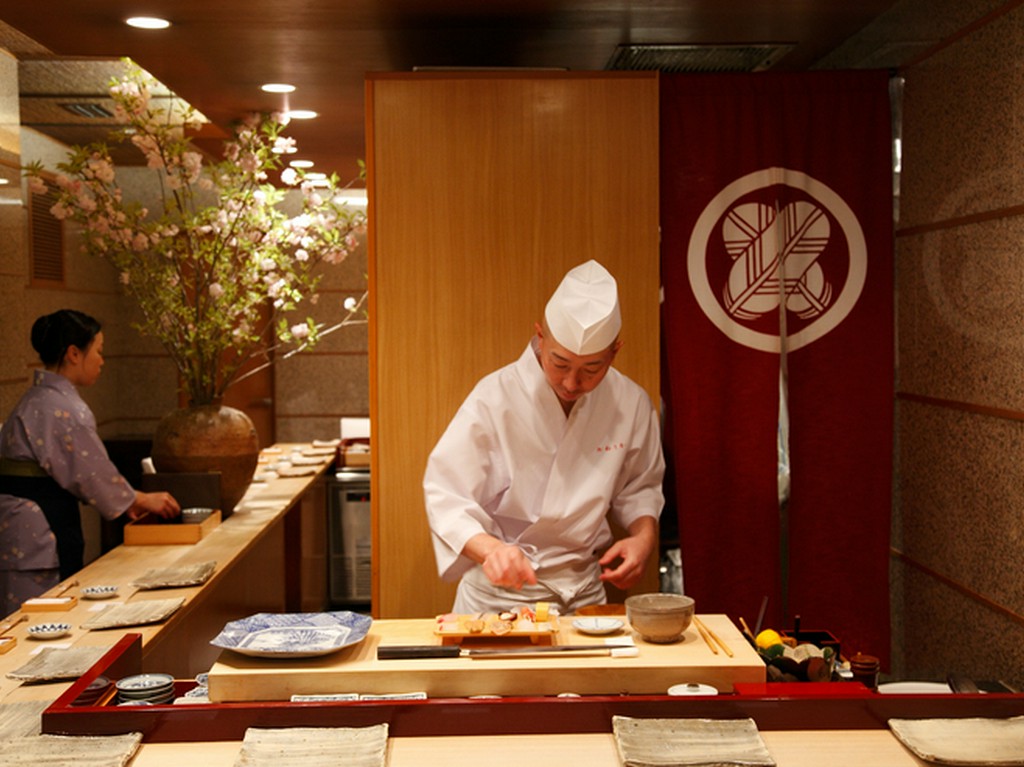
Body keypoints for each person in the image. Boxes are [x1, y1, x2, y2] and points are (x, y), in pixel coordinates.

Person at [423, 260, 665, 615]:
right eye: (560, 363)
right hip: (501, 594)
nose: (571, 383)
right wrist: (490, 550)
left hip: (585, 591)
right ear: (540, 337)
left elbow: (640, 487)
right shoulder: (494, 397)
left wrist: (644, 538)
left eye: (592, 369)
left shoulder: (631, 403)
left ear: (615, 351)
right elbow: (446, 494)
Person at [0, 310, 180, 581]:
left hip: (22, 527)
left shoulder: (36, 399)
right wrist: (139, 498)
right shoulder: (62, 408)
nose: (101, 361)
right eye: (98, 351)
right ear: (74, 354)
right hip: (38, 529)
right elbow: (90, 473)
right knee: (39, 617)